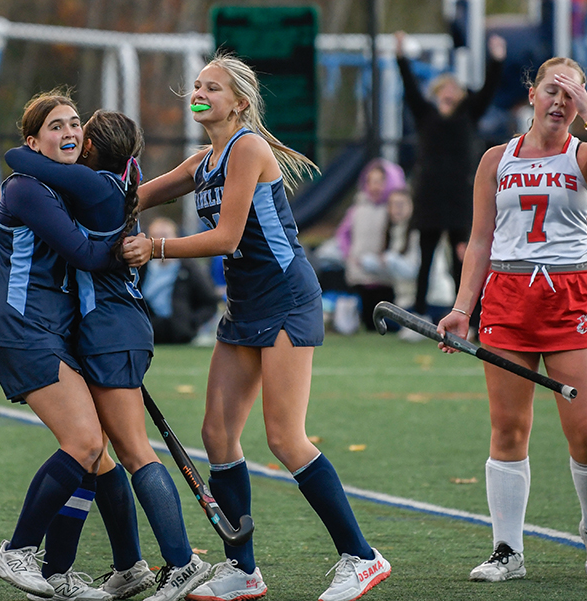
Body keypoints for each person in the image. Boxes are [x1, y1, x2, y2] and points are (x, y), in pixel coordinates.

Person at [121, 52, 391, 601]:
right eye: (197, 85)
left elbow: (226, 237)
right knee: (217, 434)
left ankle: (362, 557)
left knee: (285, 437)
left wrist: (155, 247)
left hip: (287, 300)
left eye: (213, 88)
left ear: (239, 103)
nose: (200, 94)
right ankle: (243, 569)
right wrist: (73, 203)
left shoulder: (247, 149)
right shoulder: (203, 160)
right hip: (245, 306)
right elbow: (137, 197)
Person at [0, 93, 206, 601]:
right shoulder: (42, 187)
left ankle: (148, 564)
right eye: (56, 126)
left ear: (91, 147)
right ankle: (69, 565)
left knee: (105, 449)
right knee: (92, 450)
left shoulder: (82, 185)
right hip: (37, 332)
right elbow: (54, 236)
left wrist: (136, 249)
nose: (69, 132)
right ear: (35, 139)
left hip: (98, 329)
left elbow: (81, 251)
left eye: (75, 124)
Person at [437, 57, 587, 582]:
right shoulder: (495, 159)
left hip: (569, 298)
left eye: (571, 93)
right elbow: (480, 240)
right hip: (507, 299)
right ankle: (508, 550)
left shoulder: (584, 152)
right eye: (552, 90)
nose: (560, 101)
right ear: (531, 94)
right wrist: (461, 308)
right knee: (507, 429)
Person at [396, 30, 506, 319]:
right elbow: (409, 87)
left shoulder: (469, 115)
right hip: (430, 196)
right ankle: (420, 314)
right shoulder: (425, 116)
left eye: (453, 89)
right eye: (443, 89)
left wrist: (496, 60)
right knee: (426, 258)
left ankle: (467, 316)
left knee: (463, 258)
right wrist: (401, 56)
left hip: (459, 197)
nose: (448, 94)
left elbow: (488, 90)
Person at [337, 159, 406, 331]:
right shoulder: (357, 209)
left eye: (380, 181)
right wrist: (349, 254)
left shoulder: (391, 209)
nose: (376, 187)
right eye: (372, 181)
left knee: (386, 317)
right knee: (368, 318)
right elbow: (343, 234)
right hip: (360, 271)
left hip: (384, 274)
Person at [139, 217, 220, 344]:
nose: (159, 241)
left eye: (164, 236)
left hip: (179, 333)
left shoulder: (188, 268)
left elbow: (210, 301)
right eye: (155, 236)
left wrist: (191, 323)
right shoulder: (140, 268)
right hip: (147, 331)